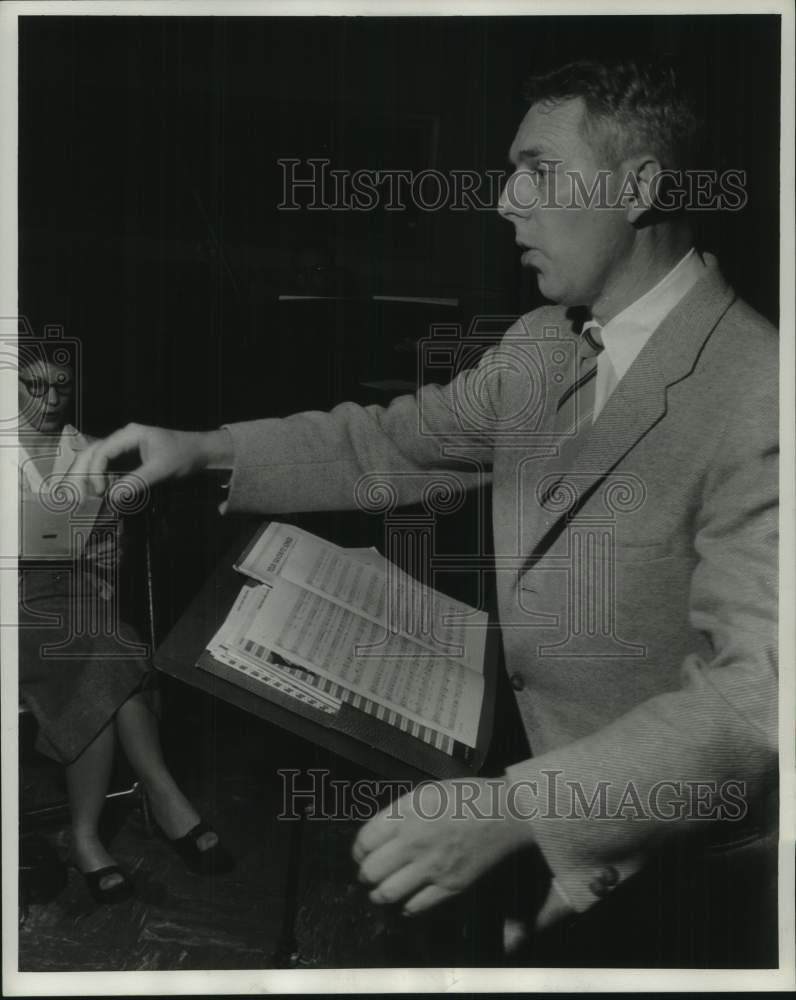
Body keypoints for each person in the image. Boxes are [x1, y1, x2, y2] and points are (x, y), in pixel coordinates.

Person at [66, 58, 778, 963]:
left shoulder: (762, 389)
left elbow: (758, 696)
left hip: (679, 877)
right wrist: (207, 447)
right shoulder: (543, 345)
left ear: (639, 187)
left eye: (540, 170)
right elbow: (397, 443)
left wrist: (524, 809)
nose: (507, 201)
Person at [17, 346, 233, 905]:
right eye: (34, 384)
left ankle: (89, 836)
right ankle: (164, 798)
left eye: (61, 384)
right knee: (113, 654)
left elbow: (110, 543)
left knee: (107, 643)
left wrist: (102, 580)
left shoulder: (88, 451)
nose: (51, 396)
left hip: (74, 594)